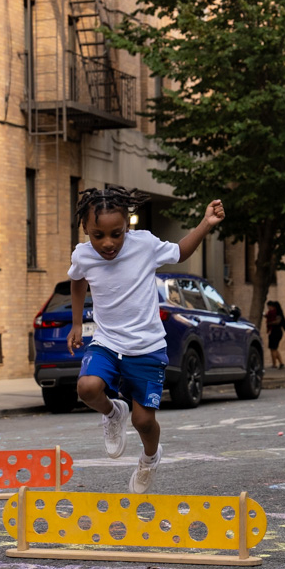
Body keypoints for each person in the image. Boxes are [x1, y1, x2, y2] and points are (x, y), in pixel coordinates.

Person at [67, 186, 225, 493]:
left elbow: (180, 252)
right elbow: (77, 282)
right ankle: (114, 413)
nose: (108, 243)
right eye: (98, 235)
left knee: (143, 421)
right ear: (86, 229)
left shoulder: (145, 245)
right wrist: (76, 323)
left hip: (147, 346)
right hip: (108, 342)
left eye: (117, 233)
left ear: (128, 225)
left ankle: (150, 458)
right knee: (87, 387)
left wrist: (205, 223)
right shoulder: (82, 254)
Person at [265, 300, 285, 369]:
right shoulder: (274, 313)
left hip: (275, 332)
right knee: (274, 348)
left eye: (269, 306)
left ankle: (274, 364)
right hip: (276, 332)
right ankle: (281, 363)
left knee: (273, 349)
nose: (268, 308)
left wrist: (269, 323)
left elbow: (277, 322)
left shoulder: (277, 313)